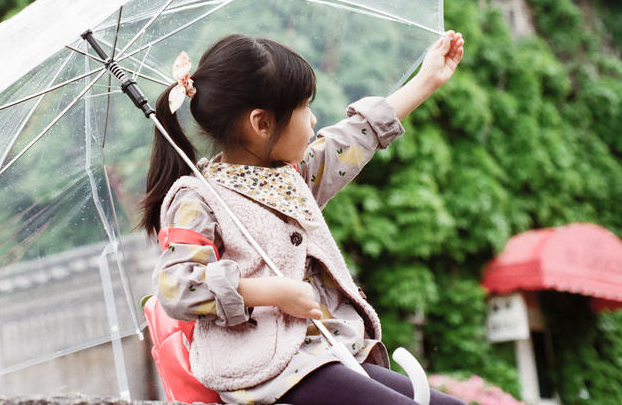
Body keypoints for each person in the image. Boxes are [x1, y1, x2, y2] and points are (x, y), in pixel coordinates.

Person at [144, 31, 465, 405]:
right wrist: (271, 293)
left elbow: (352, 139)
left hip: (326, 354)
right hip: (267, 371)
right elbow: (176, 286)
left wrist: (427, 80)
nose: (313, 120)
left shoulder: (293, 177)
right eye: (304, 107)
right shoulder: (197, 199)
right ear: (262, 123)